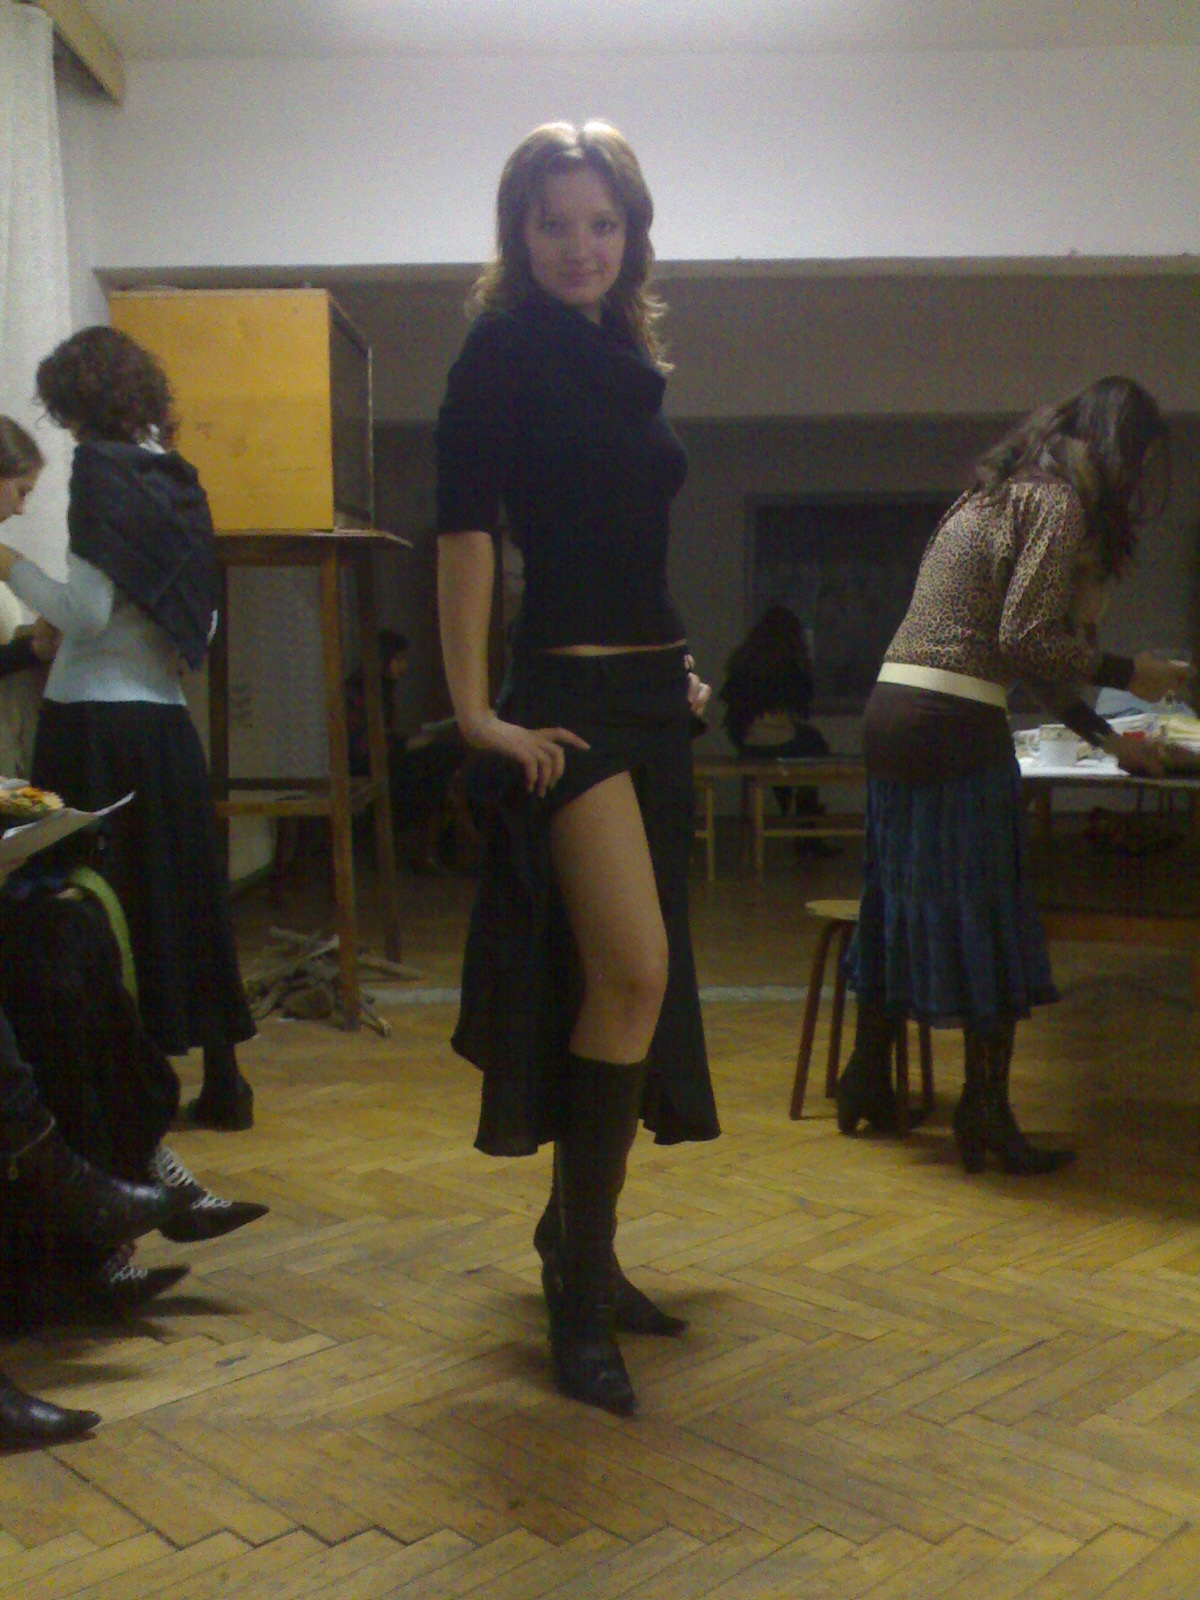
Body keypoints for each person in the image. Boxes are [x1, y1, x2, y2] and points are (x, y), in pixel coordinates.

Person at [436, 121, 719, 1416]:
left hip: (654, 696)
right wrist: (472, 711)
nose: (578, 245)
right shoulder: (501, 347)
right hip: (568, 702)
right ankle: (577, 1283)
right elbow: (465, 533)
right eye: (553, 223)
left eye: (601, 222)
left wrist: (681, 667)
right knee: (632, 970)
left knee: (637, 988)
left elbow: (625, 539)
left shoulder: (625, 354)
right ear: (519, 232)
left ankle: (581, 1243)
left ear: (631, 233)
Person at [835, 376, 1189, 1174]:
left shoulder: (996, 494)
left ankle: (867, 1081)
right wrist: (1132, 673)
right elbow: (1027, 640)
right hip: (953, 723)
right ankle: (986, 1114)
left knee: (892, 899)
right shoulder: (1057, 502)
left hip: (893, 712)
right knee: (990, 908)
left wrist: (1106, 737)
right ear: (1120, 447)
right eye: (1139, 460)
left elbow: (1014, 650)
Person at [0, 348, 257, 1132]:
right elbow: (200, 624)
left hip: (92, 726)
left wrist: (10, 564)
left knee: (90, 903)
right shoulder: (179, 480)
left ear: (70, 404)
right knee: (188, 894)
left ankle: (113, 1092)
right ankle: (226, 1082)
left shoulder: (99, 472)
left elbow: (85, 614)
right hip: (165, 726)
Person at [719, 604, 832, 842]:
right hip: (786, 740)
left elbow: (731, 709)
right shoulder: (790, 666)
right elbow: (802, 708)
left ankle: (779, 815)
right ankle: (808, 830)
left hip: (748, 741)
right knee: (814, 748)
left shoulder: (743, 662)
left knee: (805, 745)